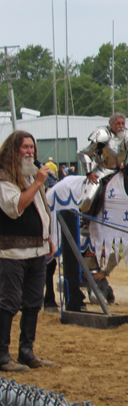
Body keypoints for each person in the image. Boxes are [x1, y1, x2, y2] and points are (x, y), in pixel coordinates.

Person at [0, 131, 56, 372]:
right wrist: (37, 183)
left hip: (37, 250)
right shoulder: (4, 177)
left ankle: (26, 352)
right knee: (9, 303)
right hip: (12, 252)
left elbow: (42, 207)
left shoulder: (32, 174)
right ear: (14, 150)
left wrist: (48, 238)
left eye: (32, 147)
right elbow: (16, 208)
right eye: (24, 147)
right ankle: (2, 355)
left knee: (33, 303)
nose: (30, 151)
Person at [77, 112, 128, 215]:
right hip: (101, 171)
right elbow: (82, 153)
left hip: (121, 171)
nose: (121, 126)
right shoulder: (103, 135)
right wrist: (89, 173)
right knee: (88, 198)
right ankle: (83, 217)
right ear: (111, 125)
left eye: (123, 123)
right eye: (118, 124)